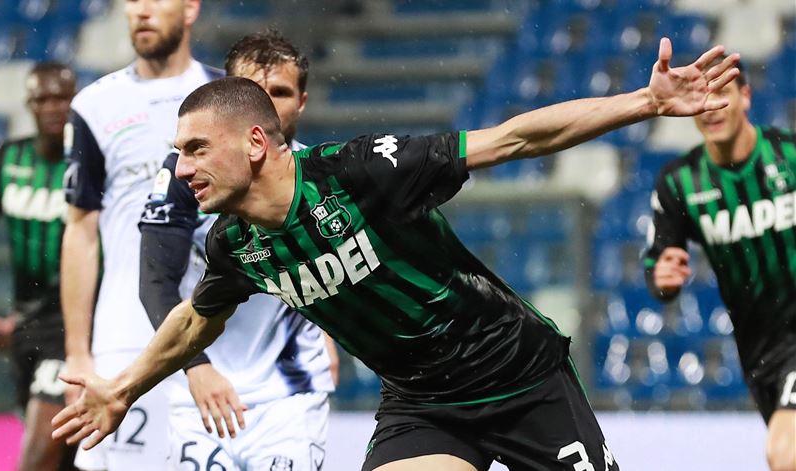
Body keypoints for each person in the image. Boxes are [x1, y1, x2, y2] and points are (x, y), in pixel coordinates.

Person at [52, 39, 740, 471]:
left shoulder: (359, 171)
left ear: (255, 143)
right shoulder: (234, 244)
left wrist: (647, 101)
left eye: (196, 148)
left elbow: (512, 140)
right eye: (177, 152)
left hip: (519, 378)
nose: (180, 167)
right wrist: (120, 389)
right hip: (423, 404)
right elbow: (196, 321)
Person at [139, 30, 337, 470]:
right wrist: (197, 367)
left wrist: (330, 332)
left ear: (302, 102)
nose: (265, 105)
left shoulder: (323, 174)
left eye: (280, 93)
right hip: (202, 394)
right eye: (252, 91)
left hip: (290, 398)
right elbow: (156, 280)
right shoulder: (184, 175)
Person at [60, 0, 222, 468]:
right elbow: (81, 231)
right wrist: (78, 353)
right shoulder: (94, 105)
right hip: (123, 338)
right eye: (132, 1)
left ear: (191, 8)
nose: (142, 11)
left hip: (215, 333)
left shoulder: (225, 94)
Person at [642, 59, 795, 471]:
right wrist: (662, 278)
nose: (710, 108)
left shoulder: (790, 155)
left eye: (721, 94)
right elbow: (659, 261)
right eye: (701, 99)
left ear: (744, 96)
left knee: (786, 453)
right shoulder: (679, 182)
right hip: (760, 350)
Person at [0, 61, 77, 471]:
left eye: (62, 97)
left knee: (41, 448)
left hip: (77, 326)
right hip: (29, 324)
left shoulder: (90, 164)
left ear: (75, 101)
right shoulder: (6, 160)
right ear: (29, 103)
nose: (52, 107)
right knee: (66, 455)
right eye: (43, 98)